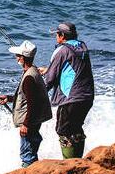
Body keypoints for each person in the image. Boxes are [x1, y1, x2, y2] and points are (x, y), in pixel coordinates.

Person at [39, 22, 94, 159]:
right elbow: (73, 68)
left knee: (63, 130)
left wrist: (39, 94)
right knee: (76, 128)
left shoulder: (61, 50)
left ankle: (69, 163)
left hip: (71, 98)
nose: (56, 37)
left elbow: (50, 79)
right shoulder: (82, 47)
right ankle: (78, 160)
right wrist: (49, 69)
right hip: (87, 96)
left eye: (57, 34)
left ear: (62, 35)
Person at [0, 40, 52, 168]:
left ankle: (29, 172)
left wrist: (26, 124)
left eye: (18, 56)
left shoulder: (28, 77)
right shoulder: (34, 71)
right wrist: (9, 99)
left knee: (27, 153)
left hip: (30, 121)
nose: (16, 58)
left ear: (22, 58)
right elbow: (28, 97)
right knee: (31, 149)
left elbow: (33, 103)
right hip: (34, 119)